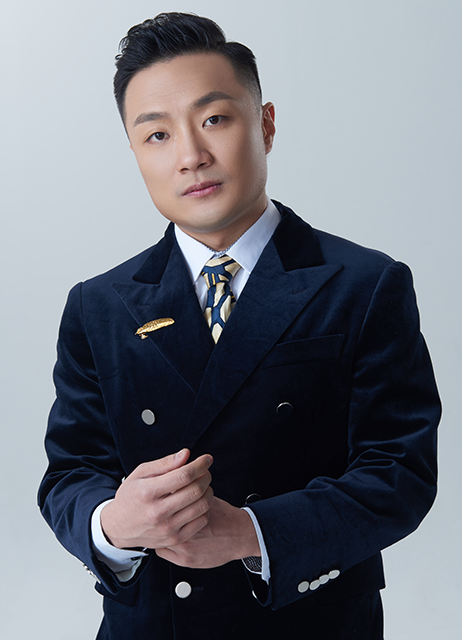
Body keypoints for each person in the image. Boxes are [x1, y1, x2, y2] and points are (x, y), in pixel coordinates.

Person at [38, 12, 440, 640]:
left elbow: (400, 472)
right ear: (136, 154)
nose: (191, 157)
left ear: (266, 124)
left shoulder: (365, 284)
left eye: (214, 120)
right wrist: (113, 524)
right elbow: (70, 473)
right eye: (157, 135)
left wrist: (251, 533)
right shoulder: (99, 305)